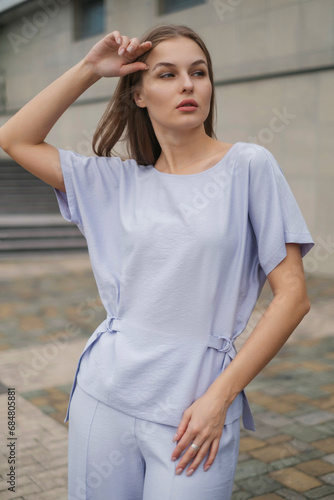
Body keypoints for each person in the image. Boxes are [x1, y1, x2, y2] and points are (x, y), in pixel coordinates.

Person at [0, 23, 314, 500]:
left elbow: (292, 297)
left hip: (196, 408)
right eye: (166, 74)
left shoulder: (249, 166)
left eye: (199, 72)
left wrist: (219, 398)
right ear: (139, 95)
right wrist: (90, 69)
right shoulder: (117, 182)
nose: (188, 84)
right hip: (104, 398)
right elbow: (15, 139)